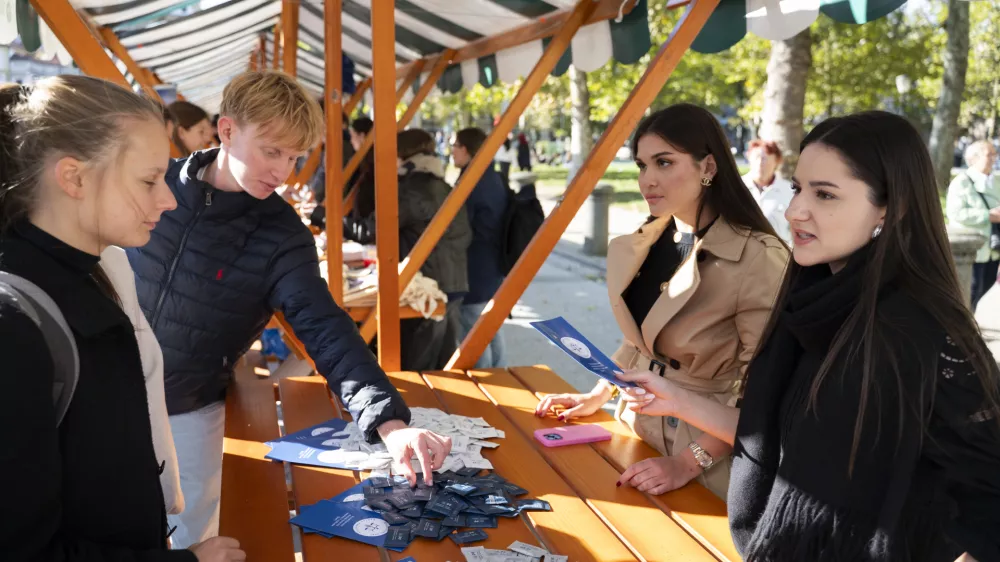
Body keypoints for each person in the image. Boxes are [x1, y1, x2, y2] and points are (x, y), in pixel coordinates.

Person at [619, 111, 1000, 561]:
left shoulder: (924, 332)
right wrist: (675, 399)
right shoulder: (809, 303)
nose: (794, 210)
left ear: (890, 208)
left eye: (825, 194)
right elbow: (769, 434)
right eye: (799, 188)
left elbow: (987, 491)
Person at [127, 71, 453, 549]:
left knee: (188, 536)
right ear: (227, 130)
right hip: (101, 393)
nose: (283, 171)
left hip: (190, 409)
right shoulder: (155, 183)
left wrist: (390, 425)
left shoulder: (282, 235)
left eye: (295, 157)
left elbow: (326, 329)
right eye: (271, 151)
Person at [0, 76, 243, 561]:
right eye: (149, 181)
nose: (168, 199)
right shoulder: (15, 326)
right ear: (74, 178)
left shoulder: (89, 272)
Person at [534, 104, 788, 499]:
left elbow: (765, 394)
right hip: (634, 430)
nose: (646, 179)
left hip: (705, 454)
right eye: (642, 165)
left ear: (708, 167)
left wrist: (688, 462)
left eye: (664, 162)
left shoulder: (758, 256)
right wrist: (598, 394)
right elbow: (640, 342)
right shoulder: (654, 237)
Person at [343, 129, 472, 370]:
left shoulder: (411, 189)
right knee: (442, 367)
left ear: (402, 157)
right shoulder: (442, 186)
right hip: (453, 283)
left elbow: (371, 230)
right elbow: (464, 234)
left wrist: (327, 219)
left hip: (427, 287)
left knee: (417, 369)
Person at [451, 127, 508, 368]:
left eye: (455, 146)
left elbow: (459, 227)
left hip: (474, 268)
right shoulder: (491, 175)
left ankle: (482, 381)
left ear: (465, 149)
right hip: (490, 265)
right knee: (489, 328)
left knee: (473, 333)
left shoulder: (472, 181)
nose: (452, 151)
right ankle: (500, 375)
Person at [947, 140, 1000, 309]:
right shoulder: (961, 182)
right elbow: (955, 213)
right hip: (971, 249)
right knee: (970, 291)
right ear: (974, 158)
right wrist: (987, 215)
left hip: (993, 247)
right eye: (989, 154)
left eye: (995, 154)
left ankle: (968, 320)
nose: (994, 158)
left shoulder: (996, 181)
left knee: (985, 286)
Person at [742, 139, 794, 244]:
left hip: (778, 251)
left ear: (777, 161)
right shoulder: (737, 187)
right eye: (756, 157)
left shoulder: (789, 191)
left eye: (765, 158)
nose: (760, 163)